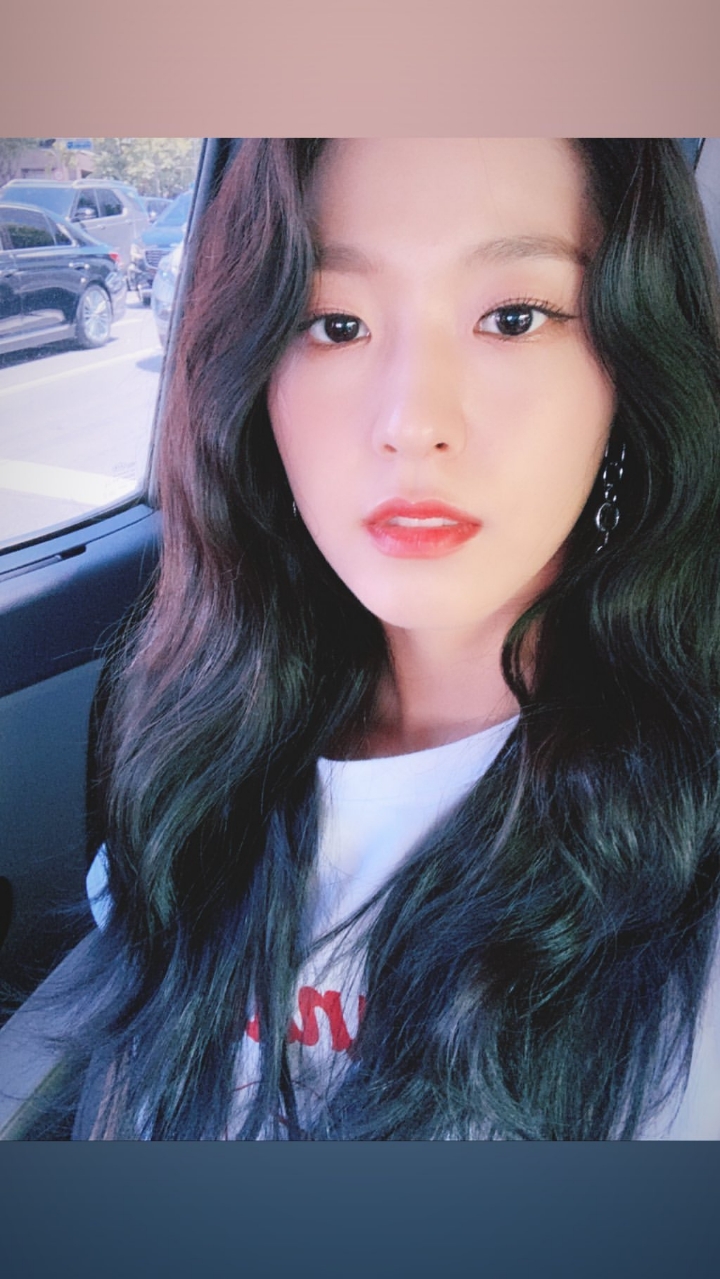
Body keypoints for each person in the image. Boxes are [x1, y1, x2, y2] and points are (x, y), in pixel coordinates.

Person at [71, 139, 720, 1140]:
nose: (413, 421)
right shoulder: (185, 726)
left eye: (514, 317)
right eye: (337, 324)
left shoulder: (687, 833)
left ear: (630, 367)